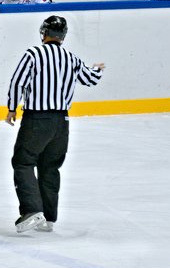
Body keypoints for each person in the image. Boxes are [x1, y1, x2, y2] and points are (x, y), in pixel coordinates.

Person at [6, 15, 106, 234]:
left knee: (23, 162)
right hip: (61, 123)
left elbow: (17, 81)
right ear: (63, 36)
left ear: (44, 33)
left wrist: (12, 107)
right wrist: (97, 69)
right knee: (50, 167)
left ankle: (32, 210)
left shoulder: (34, 53)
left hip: (37, 120)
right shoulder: (71, 58)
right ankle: (49, 218)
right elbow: (90, 79)